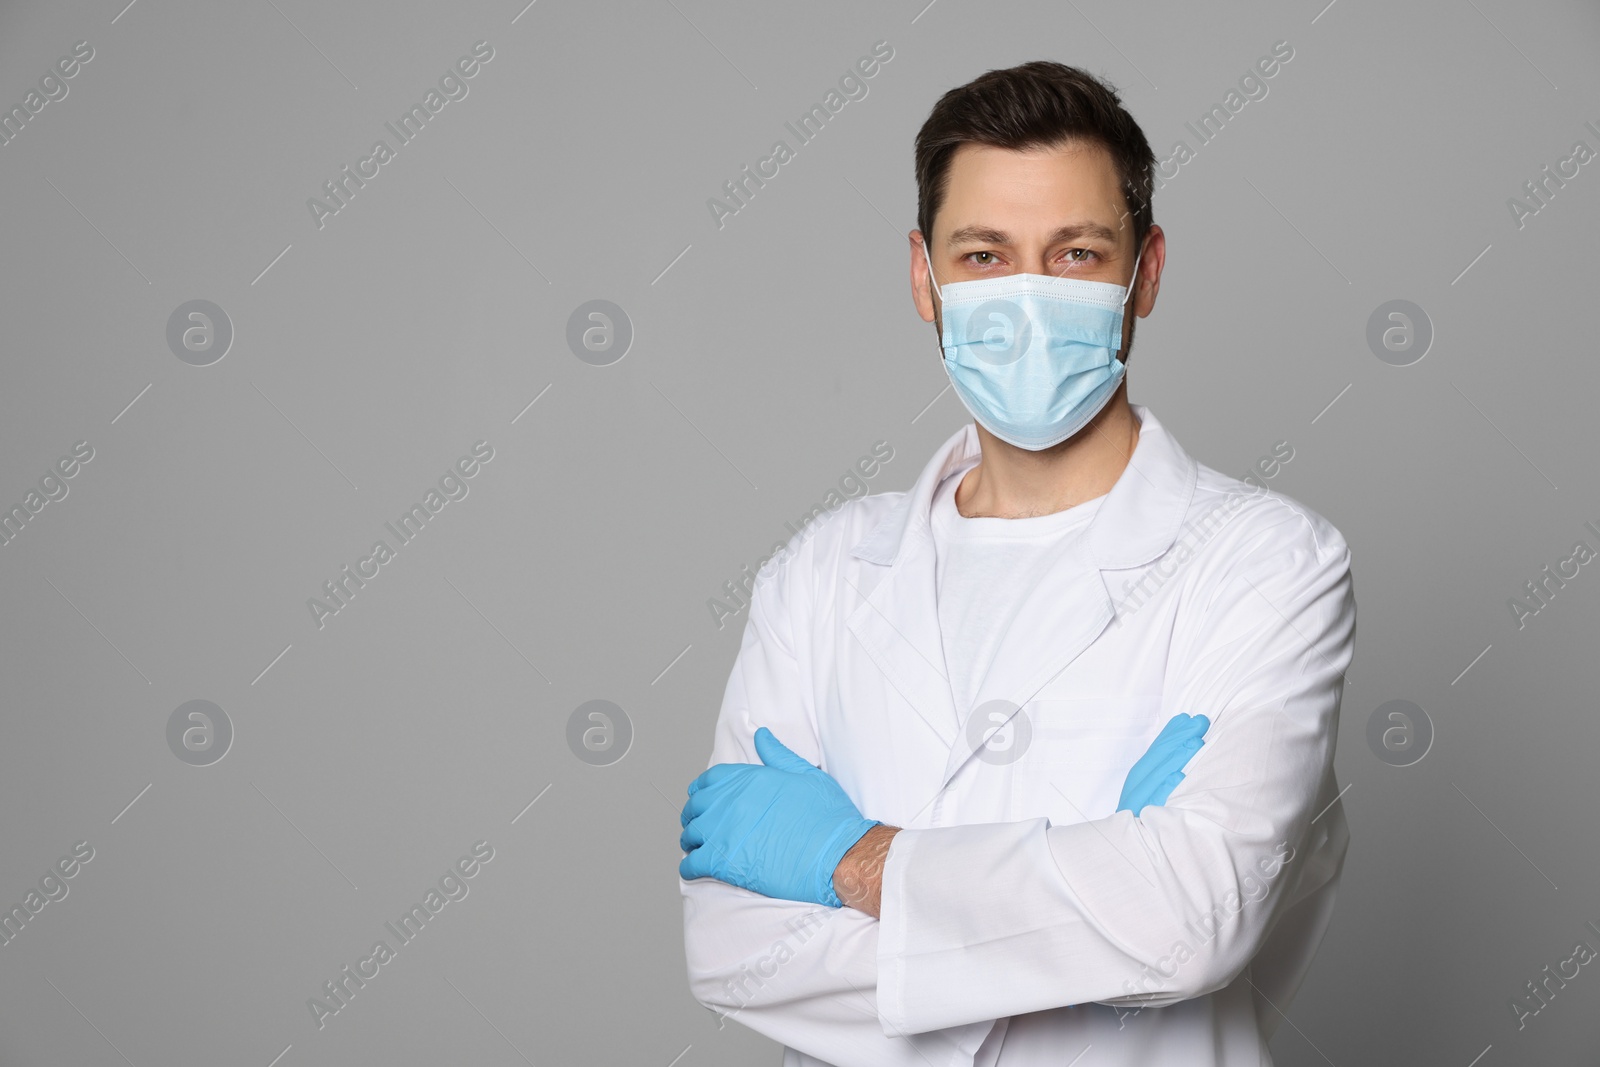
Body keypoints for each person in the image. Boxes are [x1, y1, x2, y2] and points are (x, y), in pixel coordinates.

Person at [678, 60, 1355, 1067]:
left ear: (1146, 270)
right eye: (985, 255)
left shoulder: (1266, 564)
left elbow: (1193, 916)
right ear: (924, 276)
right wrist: (1089, 908)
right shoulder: (818, 576)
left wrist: (846, 859)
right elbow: (731, 950)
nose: (1030, 299)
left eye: (1076, 253)